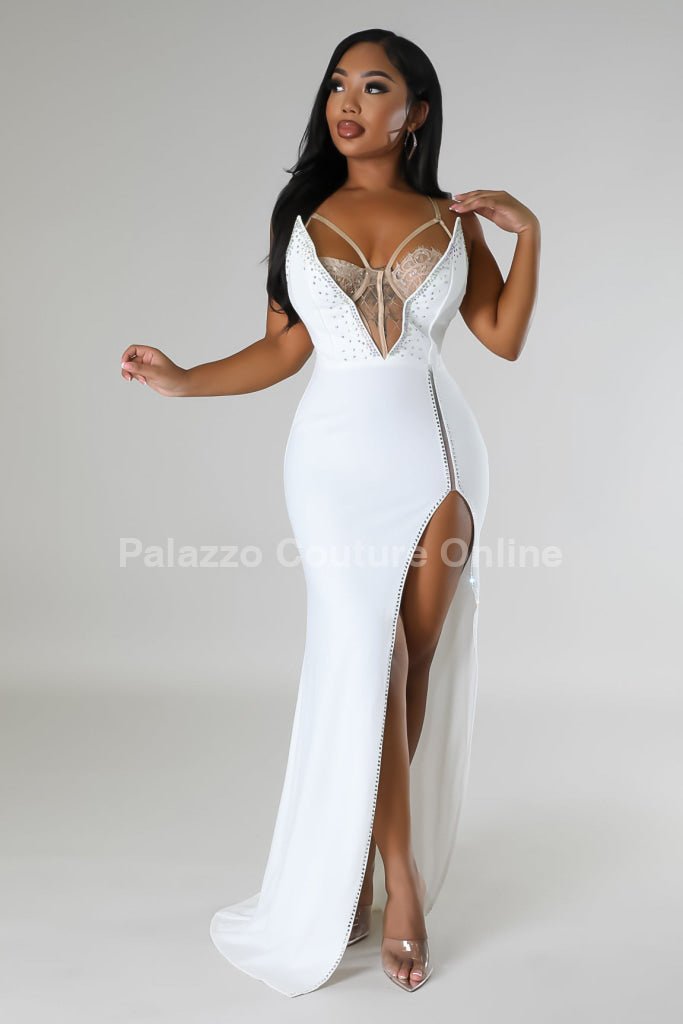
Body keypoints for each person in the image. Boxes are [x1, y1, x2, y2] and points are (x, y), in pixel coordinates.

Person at [119, 28, 540, 997]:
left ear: (414, 111)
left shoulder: (453, 220)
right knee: (370, 657)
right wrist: (182, 379)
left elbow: (501, 336)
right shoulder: (299, 216)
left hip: (440, 457)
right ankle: (400, 886)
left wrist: (531, 236)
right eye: (337, 84)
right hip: (333, 465)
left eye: (374, 86)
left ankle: (357, 868)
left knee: (410, 665)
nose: (347, 102)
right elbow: (281, 350)